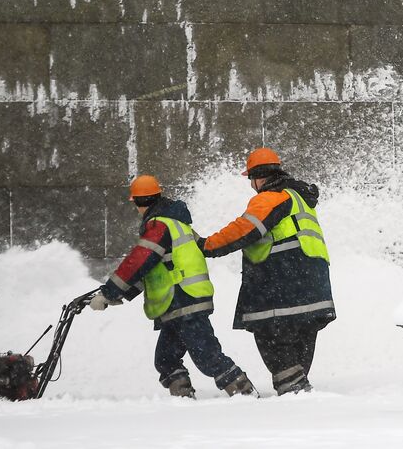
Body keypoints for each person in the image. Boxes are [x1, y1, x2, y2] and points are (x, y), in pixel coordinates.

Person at [91, 174, 256, 399]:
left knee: (207, 356)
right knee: (166, 360)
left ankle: (245, 393)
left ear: (138, 202)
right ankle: (182, 398)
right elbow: (151, 269)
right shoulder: (177, 223)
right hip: (177, 302)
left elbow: (138, 261)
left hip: (183, 299)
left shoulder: (159, 226)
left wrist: (110, 291)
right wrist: (116, 294)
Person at [200, 148, 336, 395]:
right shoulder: (299, 197)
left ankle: (295, 389)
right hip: (313, 286)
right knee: (301, 336)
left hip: (283, 282)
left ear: (257, 178)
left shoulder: (271, 197)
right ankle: (298, 390)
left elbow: (243, 229)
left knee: (269, 332)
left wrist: (206, 245)